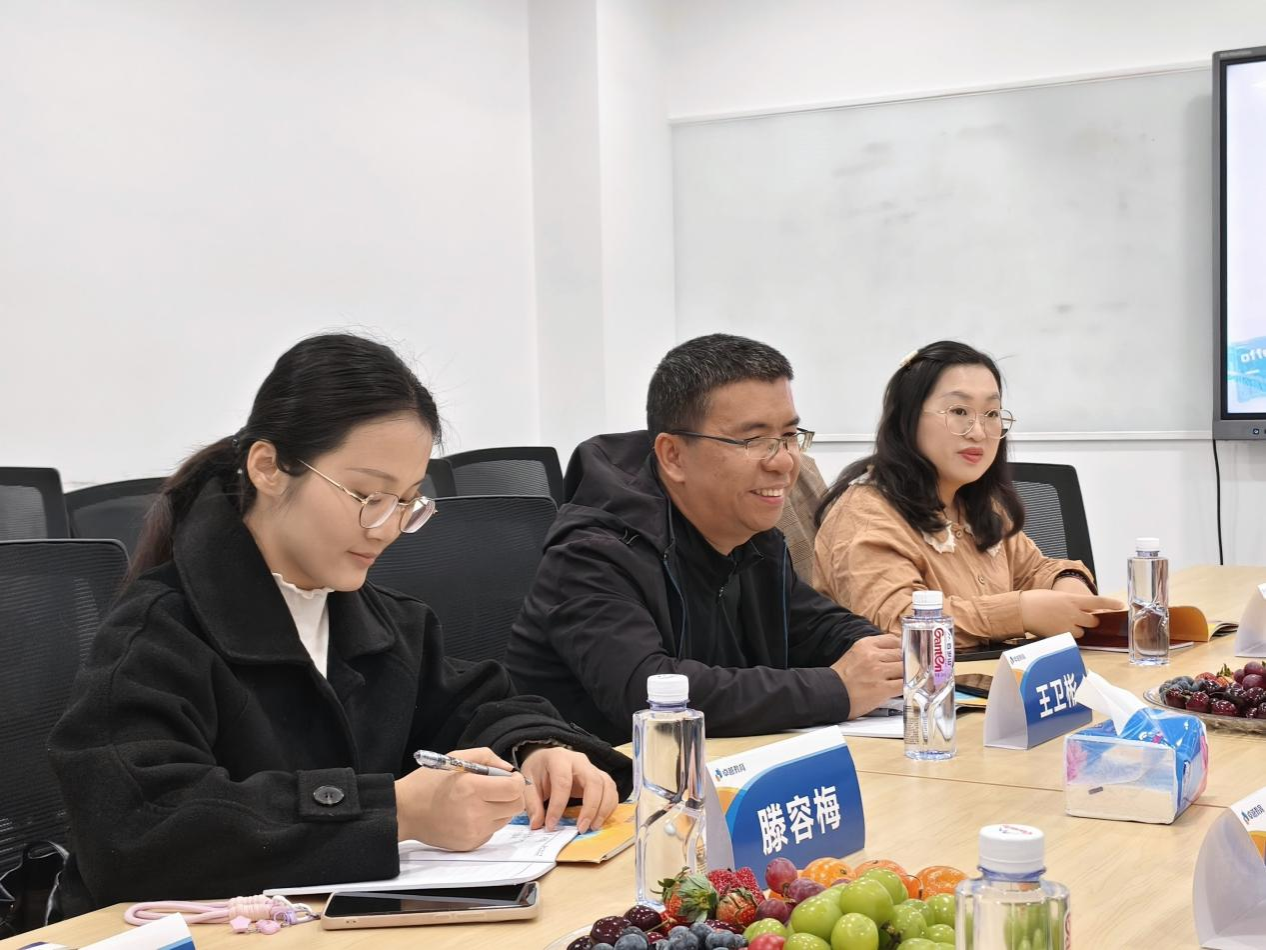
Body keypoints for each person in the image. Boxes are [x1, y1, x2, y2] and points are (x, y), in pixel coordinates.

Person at [49, 333, 628, 917]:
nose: (388, 528)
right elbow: (139, 828)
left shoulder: (387, 623)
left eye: (407, 502)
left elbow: (473, 707)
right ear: (268, 468)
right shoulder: (155, 634)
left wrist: (536, 749)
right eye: (368, 495)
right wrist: (395, 812)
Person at [505, 334, 900, 745]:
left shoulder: (750, 533)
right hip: (606, 777)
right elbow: (648, 691)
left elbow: (814, 626)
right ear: (673, 456)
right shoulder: (592, 554)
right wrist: (835, 689)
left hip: (723, 766)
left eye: (788, 436)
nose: (784, 461)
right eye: (754, 441)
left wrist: (883, 656)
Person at [813, 340, 1121, 649]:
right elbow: (899, 624)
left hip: (991, 675)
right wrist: (1019, 613)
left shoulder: (976, 502)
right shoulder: (865, 515)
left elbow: (1034, 569)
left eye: (991, 413)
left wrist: (1067, 584)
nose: (979, 432)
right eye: (959, 411)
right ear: (907, 418)